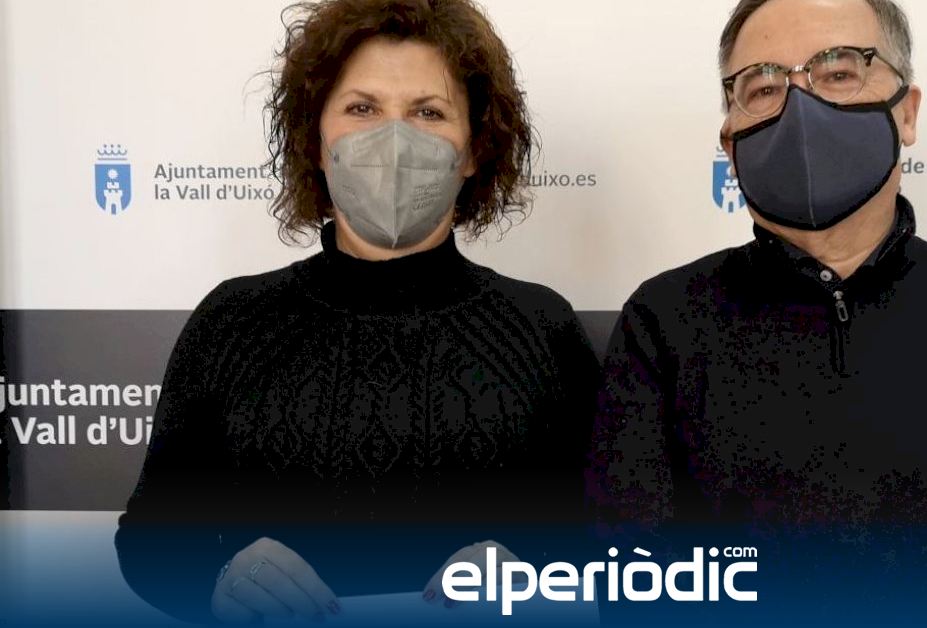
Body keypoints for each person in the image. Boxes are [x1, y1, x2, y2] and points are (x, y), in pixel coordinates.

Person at [587, 0, 927, 624]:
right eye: (764, 86)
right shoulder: (662, 323)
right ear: (730, 140)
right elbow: (636, 583)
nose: (801, 108)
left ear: (907, 112)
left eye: (839, 72)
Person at [115, 0, 597, 623]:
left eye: (428, 112)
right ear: (316, 140)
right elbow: (149, 540)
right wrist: (216, 580)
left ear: (474, 149)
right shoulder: (232, 322)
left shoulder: (540, 329)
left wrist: (536, 574)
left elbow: (612, 537)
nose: (393, 139)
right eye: (362, 109)